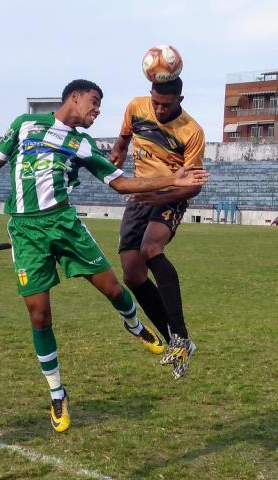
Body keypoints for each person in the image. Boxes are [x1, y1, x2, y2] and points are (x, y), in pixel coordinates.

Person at [0, 79, 209, 433]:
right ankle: (57, 393)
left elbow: (121, 184)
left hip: (65, 225)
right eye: (94, 101)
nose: (98, 109)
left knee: (115, 289)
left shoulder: (83, 145)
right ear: (74, 97)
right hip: (26, 231)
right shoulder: (24, 126)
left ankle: (136, 327)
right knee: (39, 316)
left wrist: (172, 181)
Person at [109, 77, 203, 380]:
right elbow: (123, 138)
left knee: (151, 248)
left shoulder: (192, 131)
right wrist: (119, 151)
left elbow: (193, 186)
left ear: (180, 100)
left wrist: (161, 196)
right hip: (139, 193)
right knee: (133, 274)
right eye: (156, 102)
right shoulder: (136, 107)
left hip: (170, 196)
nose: (160, 109)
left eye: (167, 104)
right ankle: (180, 343)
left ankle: (180, 333)